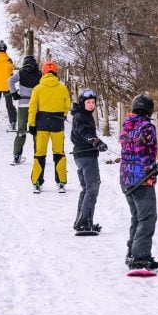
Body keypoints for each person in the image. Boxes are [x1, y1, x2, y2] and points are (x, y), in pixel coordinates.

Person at [120, 94, 158, 270]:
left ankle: (132, 252)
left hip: (126, 178)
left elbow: (130, 148)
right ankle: (140, 256)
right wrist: (151, 167)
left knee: (137, 217)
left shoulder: (126, 125)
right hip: (141, 180)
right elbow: (143, 150)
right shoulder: (147, 127)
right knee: (147, 218)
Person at [28, 61, 71, 193]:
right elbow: (67, 106)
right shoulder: (62, 88)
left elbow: (33, 107)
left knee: (40, 154)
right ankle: (61, 181)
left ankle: (37, 182)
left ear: (43, 72)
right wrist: (63, 114)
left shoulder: (38, 88)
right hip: (57, 124)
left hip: (42, 124)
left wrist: (31, 124)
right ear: (56, 72)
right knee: (59, 153)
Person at [70, 89, 108, 233]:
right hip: (86, 155)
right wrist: (97, 142)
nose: (91, 105)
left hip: (82, 154)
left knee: (87, 188)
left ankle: (82, 220)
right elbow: (85, 133)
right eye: (88, 102)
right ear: (82, 103)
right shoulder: (81, 116)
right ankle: (84, 223)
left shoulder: (84, 115)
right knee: (93, 186)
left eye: (93, 102)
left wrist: (97, 142)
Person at [8, 55, 42, 165]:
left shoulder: (21, 73)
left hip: (23, 104)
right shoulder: (40, 74)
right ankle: (38, 155)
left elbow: (10, 81)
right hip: (36, 106)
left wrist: (14, 93)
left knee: (21, 131)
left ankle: (17, 155)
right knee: (36, 130)